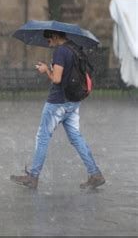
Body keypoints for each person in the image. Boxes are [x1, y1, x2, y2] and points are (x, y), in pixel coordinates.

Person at [10, 30, 105, 190]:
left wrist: (46, 70)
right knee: (76, 137)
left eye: (48, 39)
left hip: (57, 102)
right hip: (73, 102)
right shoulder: (75, 48)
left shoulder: (61, 51)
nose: (47, 42)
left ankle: (33, 177)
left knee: (42, 137)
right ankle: (95, 174)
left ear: (55, 37)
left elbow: (57, 79)